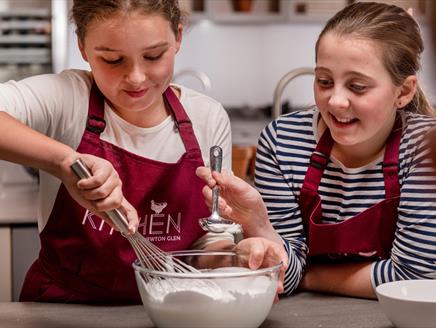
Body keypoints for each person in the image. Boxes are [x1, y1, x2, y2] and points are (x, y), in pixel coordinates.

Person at [0, 0, 286, 304]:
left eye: (153, 55)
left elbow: (205, 244)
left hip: (171, 310)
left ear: (178, 37)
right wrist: (66, 161)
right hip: (63, 308)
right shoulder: (67, 99)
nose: (136, 77)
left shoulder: (207, 117)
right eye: (112, 59)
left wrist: (233, 258)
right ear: (83, 46)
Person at [197, 1, 436, 299]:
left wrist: (308, 276)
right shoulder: (282, 142)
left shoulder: (425, 147)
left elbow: (414, 277)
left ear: (403, 92)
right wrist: (258, 223)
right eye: (324, 81)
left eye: (357, 86)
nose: (335, 101)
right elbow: (285, 269)